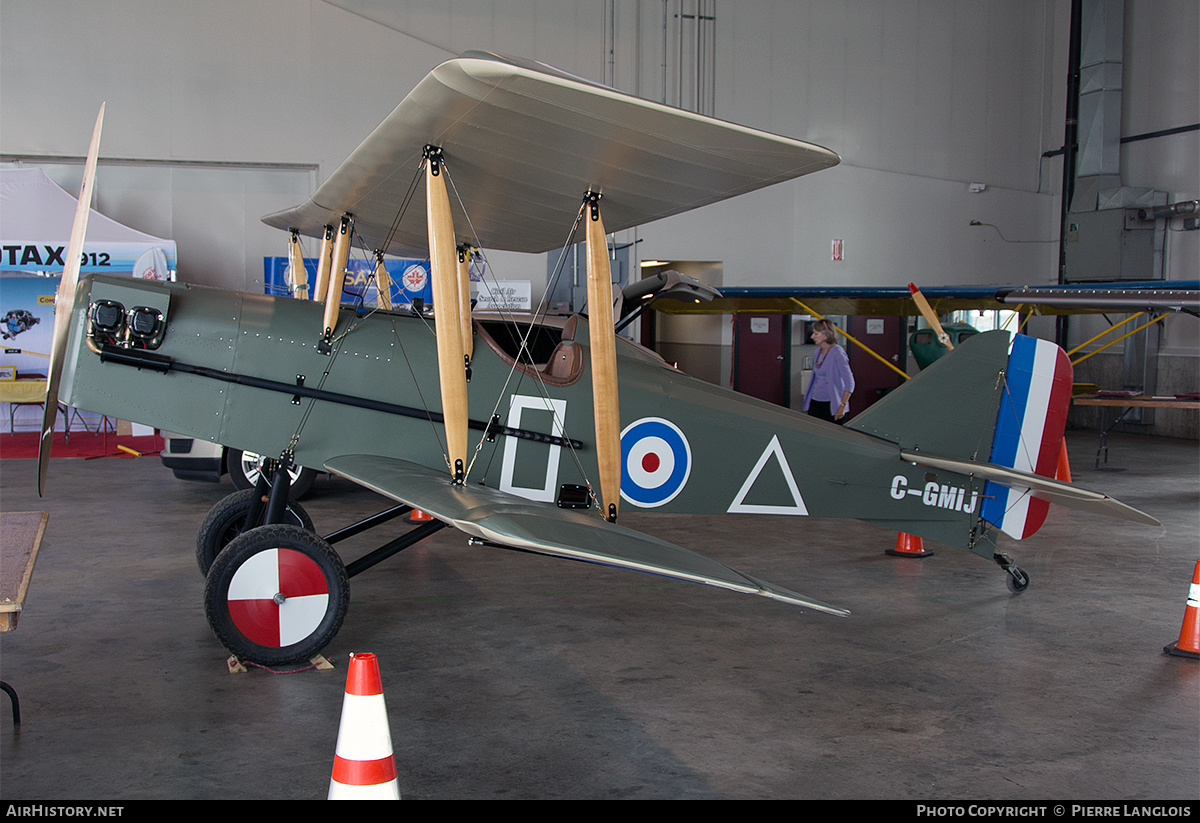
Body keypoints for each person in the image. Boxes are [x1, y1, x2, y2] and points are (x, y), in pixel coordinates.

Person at [802, 320, 855, 424]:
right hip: (816, 401)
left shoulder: (838, 353)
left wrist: (842, 406)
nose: (812, 336)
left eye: (816, 333)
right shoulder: (817, 352)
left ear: (826, 335)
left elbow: (849, 383)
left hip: (832, 404)